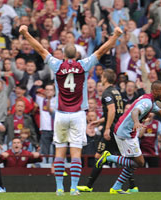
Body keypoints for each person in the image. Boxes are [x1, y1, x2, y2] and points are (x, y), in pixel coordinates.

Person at [19, 24, 123, 196]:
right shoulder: (83, 65)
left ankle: (59, 188)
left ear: (64, 54)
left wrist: (25, 33)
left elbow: (40, 48)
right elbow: (102, 50)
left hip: (61, 114)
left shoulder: (57, 65)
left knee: (59, 152)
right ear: (76, 55)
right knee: (75, 153)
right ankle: (74, 188)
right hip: (78, 114)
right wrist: (115, 35)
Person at [97, 81, 161, 194]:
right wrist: (137, 122)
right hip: (125, 133)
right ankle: (108, 157)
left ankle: (116, 187)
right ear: (155, 91)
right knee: (139, 163)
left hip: (127, 131)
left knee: (133, 163)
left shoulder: (149, 100)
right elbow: (135, 111)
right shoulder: (147, 102)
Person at [78, 68, 136, 192]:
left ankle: (88, 186)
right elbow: (117, 113)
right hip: (118, 128)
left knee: (99, 156)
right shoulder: (117, 92)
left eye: (102, 76)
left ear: (105, 78)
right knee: (122, 157)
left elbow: (112, 110)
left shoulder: (107, 93)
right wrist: (101, 121)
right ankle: (132, 186)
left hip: (111, 130)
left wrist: (107, 128)